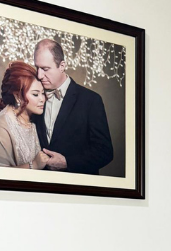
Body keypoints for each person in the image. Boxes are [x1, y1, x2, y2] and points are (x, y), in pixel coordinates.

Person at [33, 38, 113, 174]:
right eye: (37, 68)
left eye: (45, 69)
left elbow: (105, 152)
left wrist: (67, 162)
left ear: (62, 66)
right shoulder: (35, 96)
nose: (39, 75)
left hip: (78, 189)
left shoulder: (91, 100)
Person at [0, 62, 52, 169]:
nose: (42, 99)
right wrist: (33, 165)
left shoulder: (37, 118)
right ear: (17, 96)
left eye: (43, 93)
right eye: (35, 94)